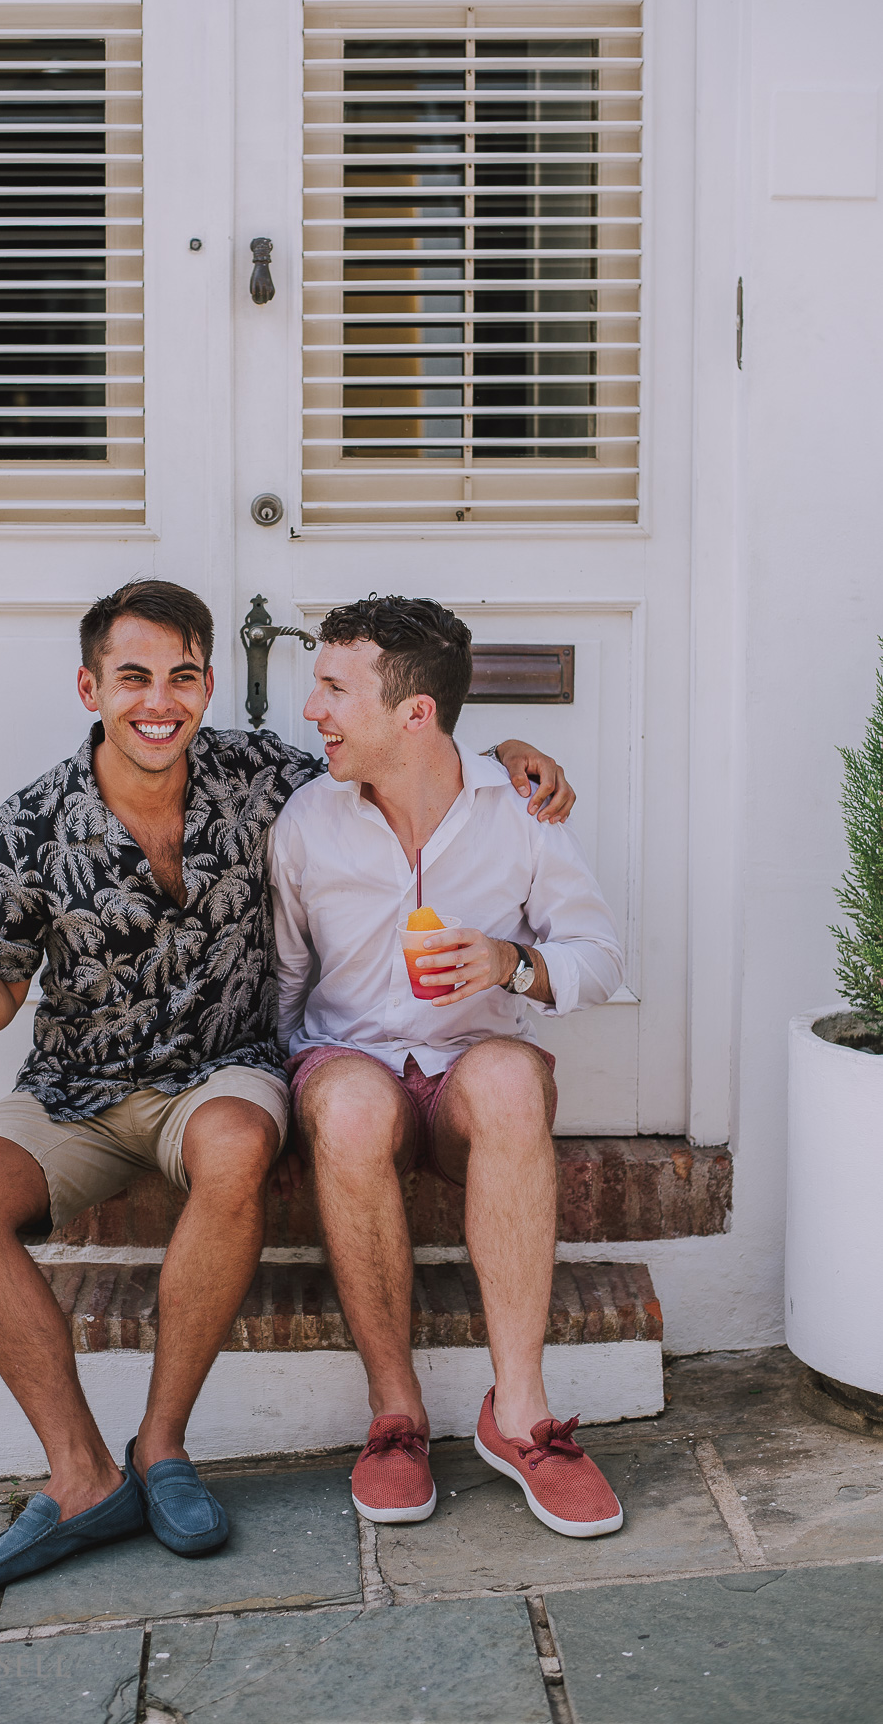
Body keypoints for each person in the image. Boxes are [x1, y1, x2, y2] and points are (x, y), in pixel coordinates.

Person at [0, 579, 575, 1588]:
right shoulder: (29, 824)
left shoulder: (259, 775)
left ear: (208, 683)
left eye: (182, 677)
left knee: (233, 1144)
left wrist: (508, 761)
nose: (158, 703)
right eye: (132, 678)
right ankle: (83, 1475)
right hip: (74, 1084)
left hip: (220, 1071)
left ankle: (162, 1447)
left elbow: (400, 749)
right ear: (88, 685)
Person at [270, 595, 627, 1539]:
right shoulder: (307, 819)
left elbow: (599, 953)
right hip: (355, 1070)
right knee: (344, 1104)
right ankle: (396, 1418)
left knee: (512, 1077)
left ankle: (522, 1418)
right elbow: (284, 982)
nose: (314, 710)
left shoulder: (521, 809)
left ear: (414, 714)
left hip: (471, 1073)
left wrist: (515, 963)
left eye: (336, 690)